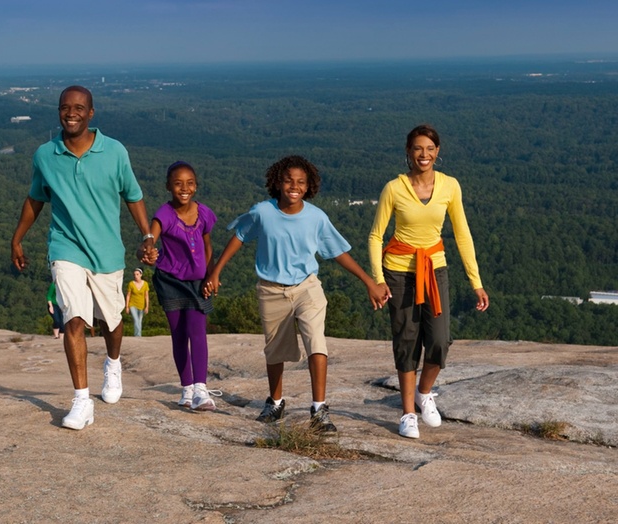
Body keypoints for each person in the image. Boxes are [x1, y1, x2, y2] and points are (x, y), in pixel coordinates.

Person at [11, 85, 157, 431]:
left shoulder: (115, 151)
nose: (71, 113)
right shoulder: (46, 155)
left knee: (111, 322)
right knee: (73, 318)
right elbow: (35, 199)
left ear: (91, 113)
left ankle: (113, 362)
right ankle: (81, 401)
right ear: (58, 111)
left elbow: (133, 196)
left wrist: (147, 235)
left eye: (79, 107)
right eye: (65, 107)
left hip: (106, 252)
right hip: (65, 247)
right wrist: (17, 238)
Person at [204, 155, 388, 431]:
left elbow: (338, 253)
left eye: (301, 182)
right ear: (277, 182)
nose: (294, 186)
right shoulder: (262, 212)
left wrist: (369, 282)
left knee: (316, 341)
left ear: (309, 186)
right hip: (271, 289)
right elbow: (239, 236)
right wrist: (216, 271)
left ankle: (319, 410)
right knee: (275, 350)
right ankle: (276, 403)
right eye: (289, 180)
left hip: (307, 287)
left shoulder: (316, 218)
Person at [368, 124, 489, 440]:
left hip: (435, 270)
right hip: (398, 272)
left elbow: (462, 234)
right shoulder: (394, 188)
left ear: (438, 152)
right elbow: (375, 235)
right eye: (417, 148)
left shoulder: (450, 186)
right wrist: (378, 280)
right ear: (408, 151)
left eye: (430, 148)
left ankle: (424, 393)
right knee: (406, 340)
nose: (424, 154)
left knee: (439, 340)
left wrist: (475, 281)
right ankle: (408, 413)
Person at [148, 161, 218, 410]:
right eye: (177, 183)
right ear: (168, 186)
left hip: (198, 282)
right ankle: (186, 389)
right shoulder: (164, 214)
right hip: (170, 281)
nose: (184, 188)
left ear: (196, 186)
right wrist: (145, 250)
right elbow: (149, 238)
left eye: (189, 183)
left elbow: (208, 246)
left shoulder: (204, 213)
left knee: (197, 332)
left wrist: (212, 275)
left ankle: (201, 388)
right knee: (178, 335)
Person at [124, 268, 150, 337]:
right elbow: (128, 295)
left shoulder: (145, 284)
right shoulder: (131, 284)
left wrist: (147, 306)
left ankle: (138, 335)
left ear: (141, 275)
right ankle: (137, 335)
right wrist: (127, 307)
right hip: (132, 304)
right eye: (134, 274)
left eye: (137, 274)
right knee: (135, 319)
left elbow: (146, 296)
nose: (136, 276)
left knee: (139, 321)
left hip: (141, 305)